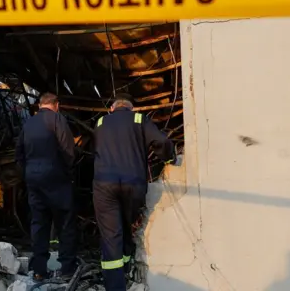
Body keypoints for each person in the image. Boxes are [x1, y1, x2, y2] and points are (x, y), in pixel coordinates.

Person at [93, 93, 175, 291]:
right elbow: (162, 142)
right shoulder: (139, 119)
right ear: (131, 108)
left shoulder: (101, 122)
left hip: (105, 185)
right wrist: (168, 159)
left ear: (112, 108)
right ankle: (128, 265)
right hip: (134, 184)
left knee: (111, 234)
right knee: (128, 224)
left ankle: (115, 285)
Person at [15, 92, 77, 281]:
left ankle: (40, 270)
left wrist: (28, 173)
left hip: (33, 180)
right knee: (65, 222)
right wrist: (68, 171)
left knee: (39, 223)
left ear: (40, 105)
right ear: (56, 104)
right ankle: (67, 269)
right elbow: (68, 150)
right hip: (56, 178)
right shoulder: (58, 120)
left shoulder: (28, 124)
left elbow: (19, 153)